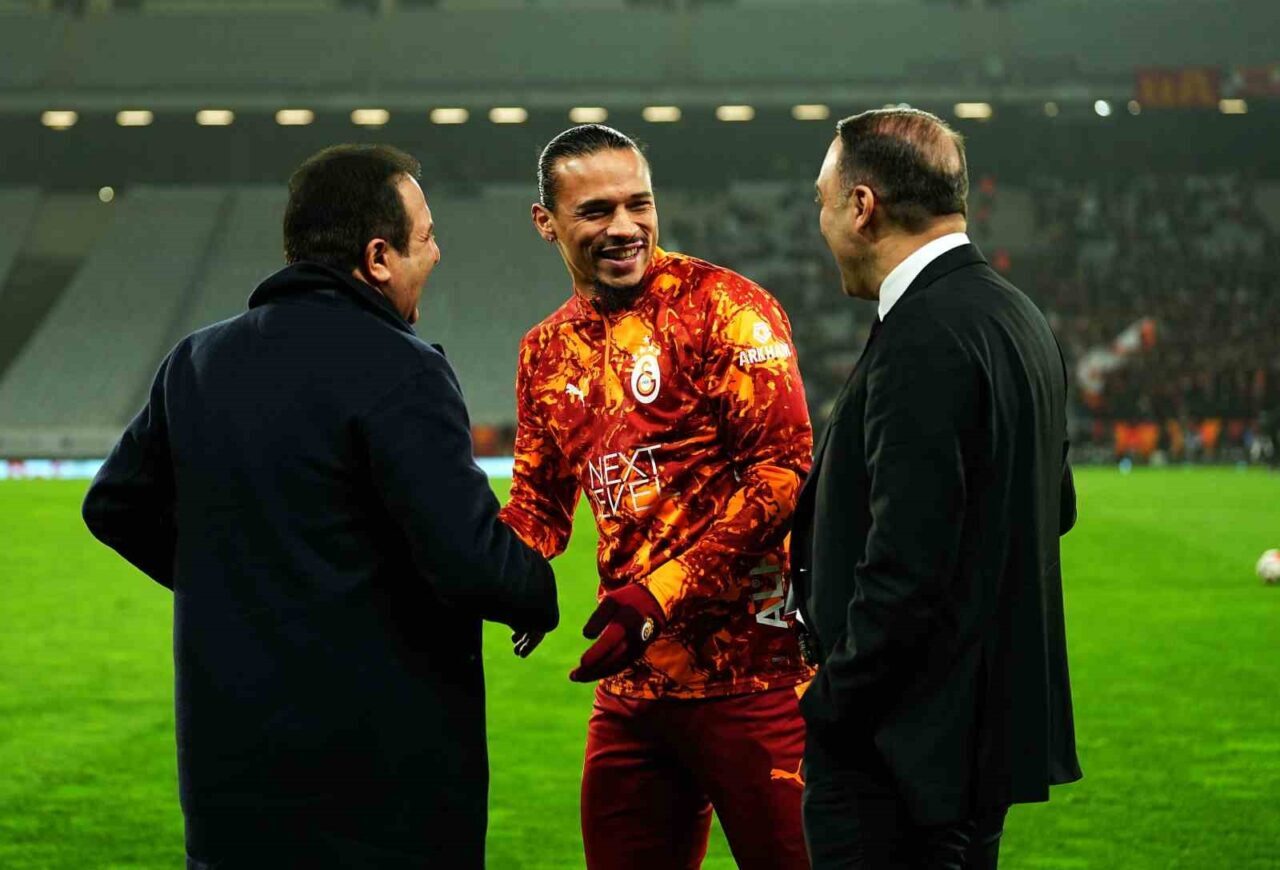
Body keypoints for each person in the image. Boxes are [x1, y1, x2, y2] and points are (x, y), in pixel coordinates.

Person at [81, 144, 558, 869]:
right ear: (378, 258)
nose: (437, 253)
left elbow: (113, 506)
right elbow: (468, 560)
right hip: (382, 794)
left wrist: (232, 584)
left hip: (229, 786)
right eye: (426, 237)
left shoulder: (197, 363)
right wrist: (535, 592)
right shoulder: (402, 368)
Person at [498, 124, 814, 869]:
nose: (624, 227)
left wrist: (657, 594)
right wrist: (493, 575)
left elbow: (783, 473)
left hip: (756, 675)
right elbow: (538, 505)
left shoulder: (726, 307)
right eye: (595, 211)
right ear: (545, 221)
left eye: (638, 204)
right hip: (632, 692)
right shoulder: (545, 351)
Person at [789, 108, 1082, 869]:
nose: (821, 223)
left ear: (862, 206)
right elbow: (1056, 506)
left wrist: (832, 701)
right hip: (971, 739)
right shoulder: (1017, 315)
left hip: (899, 751)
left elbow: (906, 568)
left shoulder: (924, 335)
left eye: (822, 201)